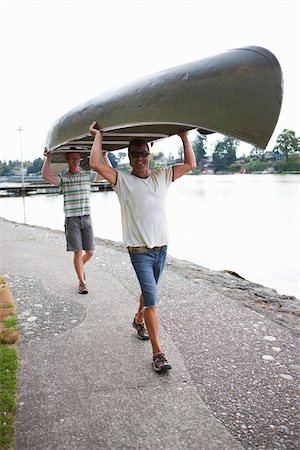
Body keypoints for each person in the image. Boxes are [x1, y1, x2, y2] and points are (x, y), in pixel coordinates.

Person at [89, 121, 196, 373]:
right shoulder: (121, 181)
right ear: (128, 157)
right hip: (140, 252)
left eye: (143, 153)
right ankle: (158, 354)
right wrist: (98, 136)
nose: (139, 158)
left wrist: (183, 137)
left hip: (162, 249)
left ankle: (137, 320)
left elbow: (191, 164)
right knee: (152, 301)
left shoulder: (162, 176)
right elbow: (95, 164)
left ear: (149, 154)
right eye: (134, 154)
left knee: (150, 294)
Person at [41, 147, 108, 294]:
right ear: (67, 160)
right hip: (72, 219)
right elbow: (45, 175)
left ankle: (80, 268)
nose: (75, 160)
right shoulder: (63, 178)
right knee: (78, 252)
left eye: (77, 158)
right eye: (72, 158)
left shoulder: (87, 176)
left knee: (89, 252)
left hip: (86, 217)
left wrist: (104, 156)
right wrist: (49, 157)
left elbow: (106, 172)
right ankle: (82, 283)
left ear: (80, 159)